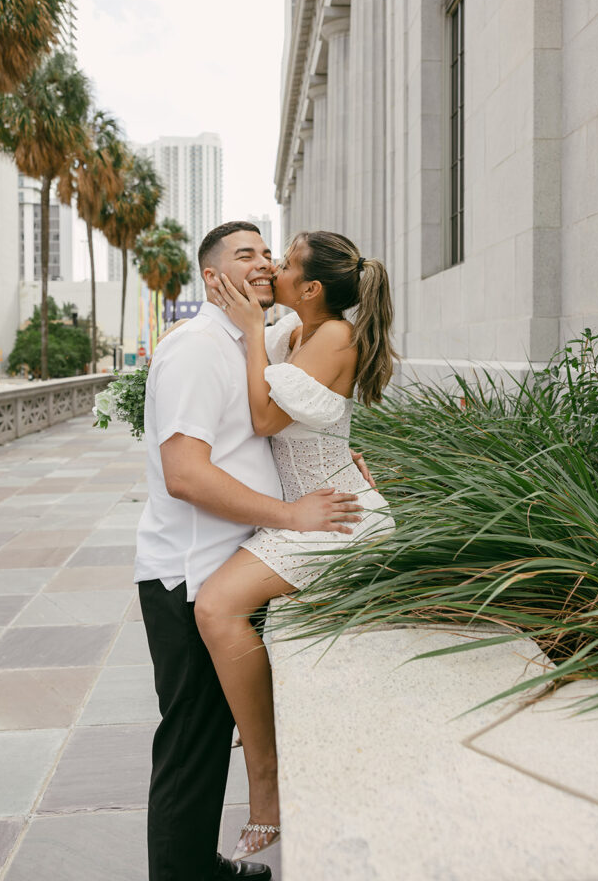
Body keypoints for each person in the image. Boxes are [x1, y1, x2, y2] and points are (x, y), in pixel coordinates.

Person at [135, 222, 365, 881]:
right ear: (211, 278)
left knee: (207, 739)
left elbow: (279, 426)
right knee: (190, 743)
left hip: (241, 554)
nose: (264, 263)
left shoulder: (250, 342)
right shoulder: (197, 350)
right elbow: (186, 474)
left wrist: (338, 458)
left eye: (267, 252)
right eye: (247, 255)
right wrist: (290, 513)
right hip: (190, 573)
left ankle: (197, 867)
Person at [194, 230, 397, 862]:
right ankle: (265, 763)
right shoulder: (293, 333)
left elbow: (265, 418)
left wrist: (251, 329)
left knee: (216, 606)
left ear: (309, 289)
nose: (272, 267)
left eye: (282, 263)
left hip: (332, 518)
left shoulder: (334, 335)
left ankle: (266, 781)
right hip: (302, 510)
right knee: (222, 606)